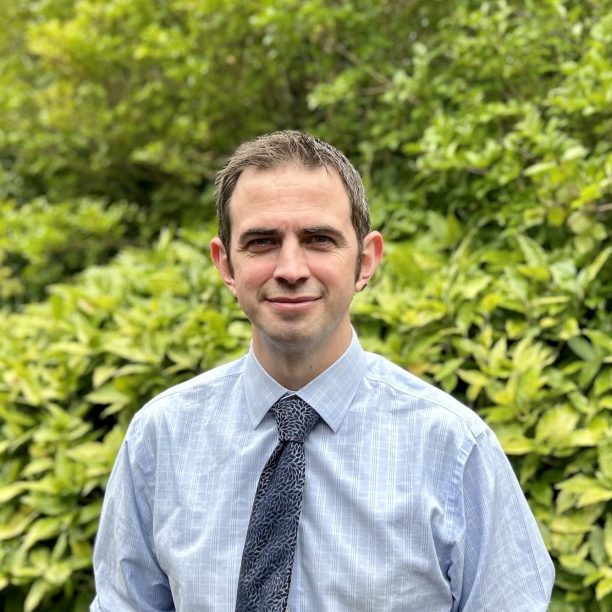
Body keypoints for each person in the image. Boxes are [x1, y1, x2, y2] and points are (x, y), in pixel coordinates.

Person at [91, 130, 555, 611]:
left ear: (366, 260)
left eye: (318, 239)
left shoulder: (453, 450)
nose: (291, 268)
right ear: (225, 264)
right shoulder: (160, 438)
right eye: (262, 242)